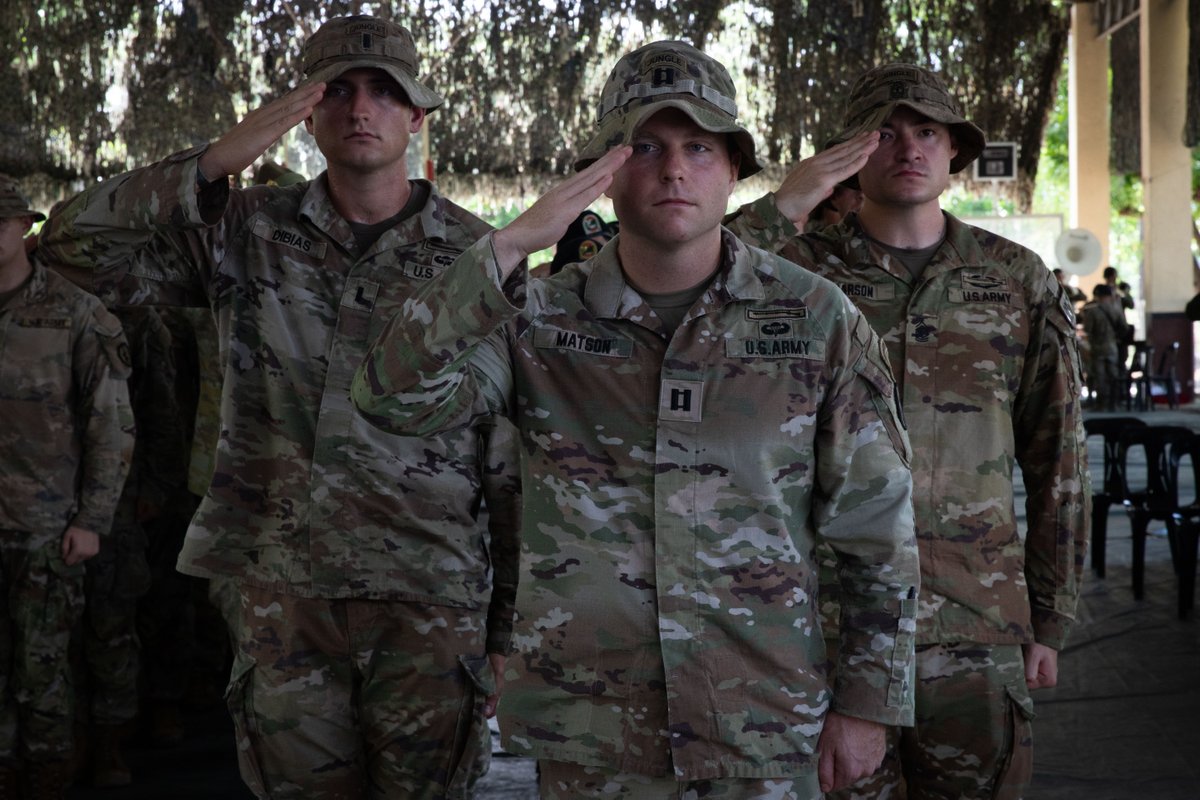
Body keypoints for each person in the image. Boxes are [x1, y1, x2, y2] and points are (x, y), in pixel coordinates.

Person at [353, 41, 920, 799]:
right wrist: (510, 247)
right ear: (607, 172)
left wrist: (867, 704)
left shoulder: (814, 317)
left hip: (762, 721)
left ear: (733, 168)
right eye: (645, 147)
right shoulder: (539, 317)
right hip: (593, 729)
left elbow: (875, 523)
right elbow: (390, 395)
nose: (674, 170)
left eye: (699, 148)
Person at [37, 15, 519, 799]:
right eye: (337, 91)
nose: (361, 109)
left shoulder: (478, 255)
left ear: (417, 115)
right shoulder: (243, 229)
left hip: (429, 596)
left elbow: (507, 454)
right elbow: (71, 248)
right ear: (304, 108)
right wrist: (216, 162)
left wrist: (506, 626)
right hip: (281, 592)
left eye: (385, 92)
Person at [726, 62, 1089, 799]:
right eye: (884, 133)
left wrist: (1051, 617)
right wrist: (784, 204)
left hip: (976, 624)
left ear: (954, 149)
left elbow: (1060, 458)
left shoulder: (1014, 278)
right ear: (851, 154)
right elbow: (691, 284)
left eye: (927, 131)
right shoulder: (793, 274)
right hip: (829, 626)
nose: (908, 148)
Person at [0, 175, 134, 797]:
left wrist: (92, 519)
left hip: (46, 526)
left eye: (0, 224)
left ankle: (48, 774)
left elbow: (111, 426)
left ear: (24, 229)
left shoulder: (75, 312)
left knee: (44, 666)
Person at [78, 304, 185, 787]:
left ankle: (109, 739)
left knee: (115, 614)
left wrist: (158, 484)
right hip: (34, 487)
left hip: (117, 486)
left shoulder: (130, 310)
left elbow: (161, 408)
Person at [1081, 284, 1129, 411]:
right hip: (1112, 347)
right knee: (1113, 375)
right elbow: (1125, 327)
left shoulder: (1092, 311)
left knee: (1100, 376)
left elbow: (1087, 329)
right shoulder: (1116, 310)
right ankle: (1115, 403)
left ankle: (1102, 404)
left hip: (1097, 348)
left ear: (1097, 296)